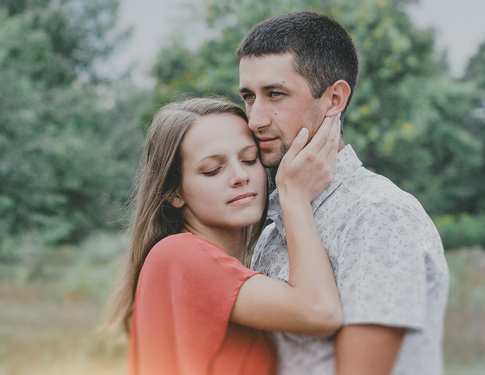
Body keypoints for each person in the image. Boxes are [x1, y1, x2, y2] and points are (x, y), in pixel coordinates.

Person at [236, 11, 450, 375]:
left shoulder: (378, 214)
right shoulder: (276, 222)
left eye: (275, 94)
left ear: (335, 99)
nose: (255, 119)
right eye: (248, 97)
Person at [101, 97, 343, 374]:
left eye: (250, 159)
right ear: (174, 192)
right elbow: (319, 311)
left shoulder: (230, 271)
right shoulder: (180, 254)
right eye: (213, 170)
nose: (240, 175)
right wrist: (296, 199)